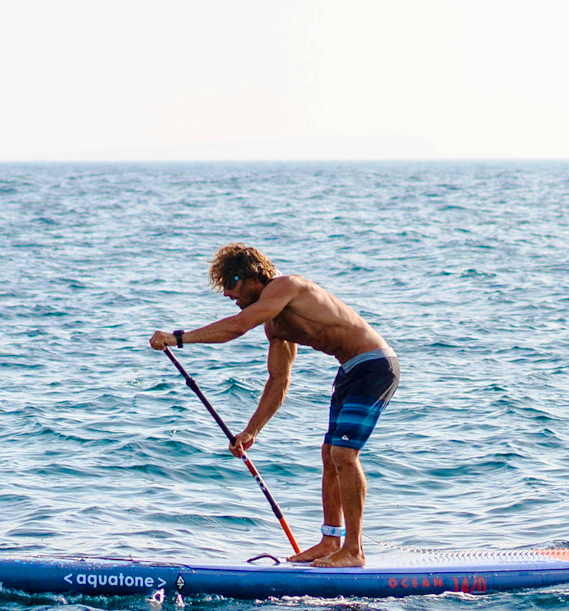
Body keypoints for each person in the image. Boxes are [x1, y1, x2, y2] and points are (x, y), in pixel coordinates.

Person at [149, 243, 399, 568]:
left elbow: (237, 327)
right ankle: (331, 540)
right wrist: (251, 431)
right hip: (350, 369)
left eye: (231, 282)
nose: (226, 293)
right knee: (329, 454)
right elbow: (279, 382)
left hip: (375, 365)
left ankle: (354, 550)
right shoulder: (276, 326)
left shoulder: (287, 286)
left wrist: (178, 338)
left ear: (253, 275)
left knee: (344, 455)